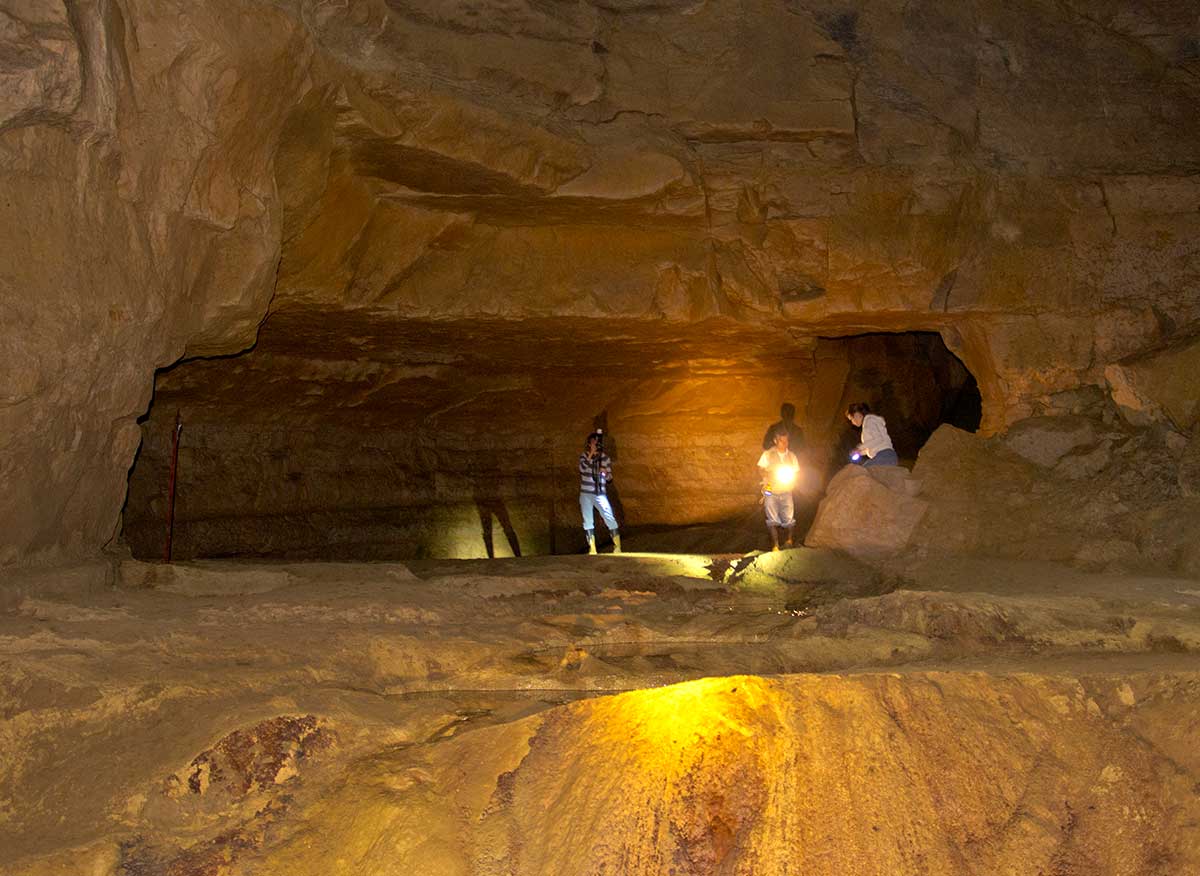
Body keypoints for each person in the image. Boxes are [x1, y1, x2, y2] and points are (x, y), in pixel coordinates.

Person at [579, 430, 621, 555]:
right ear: (589, 444)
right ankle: (592, 549)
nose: (595, 444)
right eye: (592, 442)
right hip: (586, 493)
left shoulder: (605, 458)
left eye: (597, 442)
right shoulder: (584, 456)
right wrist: (590, 454)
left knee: (609, 517)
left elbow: (609, 478)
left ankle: (617, 547)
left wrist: (605, 472)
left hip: (600, 493)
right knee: (587, 520)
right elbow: (582, 469)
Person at [757, 430, 799, 551]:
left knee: (789, 517)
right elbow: (760, 468)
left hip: (786, 489)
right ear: (775, 441)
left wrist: (794, 482)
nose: (785, 443)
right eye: (782, 440)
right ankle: (775, 545)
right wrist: (765, 475)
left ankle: (789, 541)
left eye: (787, 440)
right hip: (770, 487)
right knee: (771, 517)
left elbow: (797, 472)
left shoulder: (792, 456)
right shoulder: (768, 454)